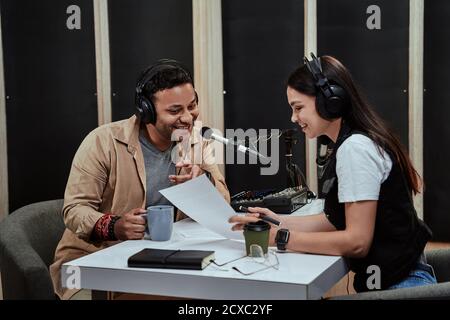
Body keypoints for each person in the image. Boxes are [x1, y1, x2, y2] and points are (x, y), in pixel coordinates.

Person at [229, 54, 435, 292]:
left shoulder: (355, 148)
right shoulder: (355, 141)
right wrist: (274, 220)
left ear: (331, 101)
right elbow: (334, 220)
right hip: (395, 278)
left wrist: (281, 238)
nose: (293, 118)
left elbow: (357, 243)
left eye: (298, 108)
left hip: (400, 286)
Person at [50, 59, 230, 299]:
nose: (188, 118)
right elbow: (74, 210)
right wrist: (115, 226)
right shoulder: (103, 142)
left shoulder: (197, 142)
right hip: (93, 265)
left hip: (162, 260)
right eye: (175, 111)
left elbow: (224, 207)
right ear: (146, 111)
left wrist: (202, 183)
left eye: (192, 106)